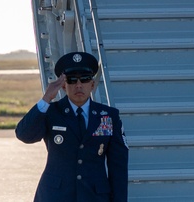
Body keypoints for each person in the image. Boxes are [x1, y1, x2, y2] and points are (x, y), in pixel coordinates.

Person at [16, 51, 129, 201]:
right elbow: (24, 135)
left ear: (92, 84)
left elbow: (118, 167)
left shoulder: (108, 116)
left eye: (84, 79)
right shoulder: (51, 112)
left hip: (94, 196)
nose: (78, 85)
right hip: (56, 196)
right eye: (72, 80)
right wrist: (46, 98)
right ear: (63, 86)